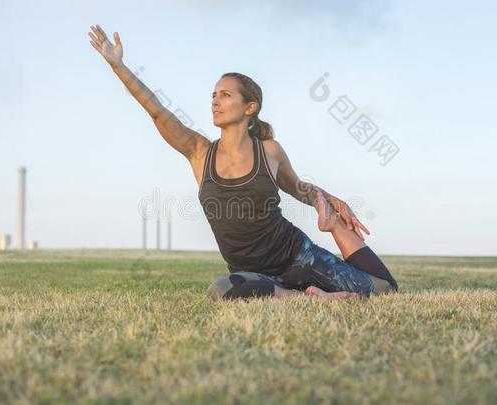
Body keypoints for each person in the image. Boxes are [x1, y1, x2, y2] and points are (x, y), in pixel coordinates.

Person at [88, 24, 398, 301]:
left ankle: (324, 246)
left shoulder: (269, 151)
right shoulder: (199, 152)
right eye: (213, 95)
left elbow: (297, 187)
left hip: (299, 257)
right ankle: (305, 298)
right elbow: (156, 110)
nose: (215, 101)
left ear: (250, 107)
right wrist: (118, 66)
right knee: (223, 288)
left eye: (225, 95)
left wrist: (330, 202)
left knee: (385, 290)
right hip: (255, 276)